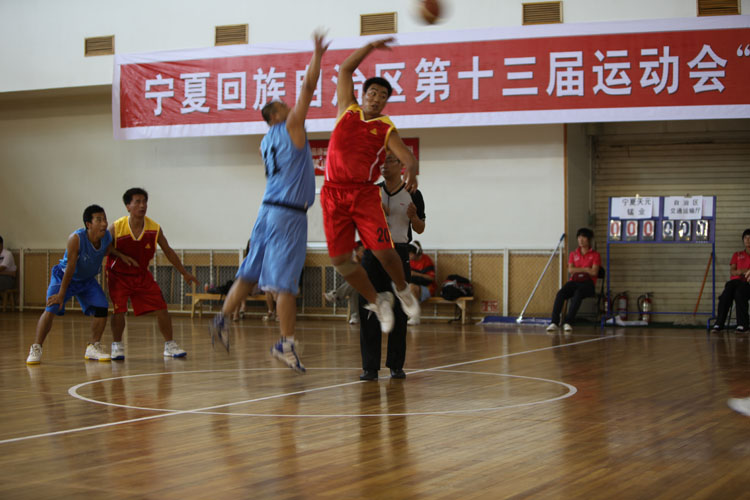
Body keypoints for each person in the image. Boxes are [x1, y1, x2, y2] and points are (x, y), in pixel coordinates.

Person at [209, 31, 329, 373]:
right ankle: (285, 343)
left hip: (266, 211)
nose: (291, 107)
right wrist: (317, 55)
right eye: (284, 106)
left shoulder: (265, 141)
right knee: (286, 284)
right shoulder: (290, 125)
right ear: (276, 115)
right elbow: (308, 88)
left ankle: (221, 319)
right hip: (288, 215)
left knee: (248, 274)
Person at [321, 36, 421, 336]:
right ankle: (378, 301)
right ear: (363, 95)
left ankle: (402, 290)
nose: (376, 98)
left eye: (382, 96)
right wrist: (370, 47)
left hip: (363, 194)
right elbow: (344, 70)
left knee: (384, 253)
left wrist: (412, 168)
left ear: (386, 102)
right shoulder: (347, 109)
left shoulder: (386, 127)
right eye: (373, 93)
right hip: (332, 193)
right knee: (339, 260)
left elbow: (406, 155)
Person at [25, 205, 138, 364]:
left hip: (86, 280)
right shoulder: (76, 239)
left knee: (102, 307)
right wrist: (61, 295)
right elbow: (71, 267)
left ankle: (93, 346)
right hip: (64, 276)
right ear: (88, 224)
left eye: (105, 219)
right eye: (99, 220)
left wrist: (121, 255)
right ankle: (36, 347)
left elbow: (107, 248)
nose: (104, 223)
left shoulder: (106, 236)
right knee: (52, 307)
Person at [106, 187, 199, 359]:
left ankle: (169, 345)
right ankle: (117, 345)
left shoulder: (154, 228)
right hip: (118, 276)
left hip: (141, 275)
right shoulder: (116, 227)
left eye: (144, 202)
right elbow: (105, 248)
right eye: (137, 202)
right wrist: (121, 256)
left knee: (161, 307)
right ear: (128, 206)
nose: (142, 205)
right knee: (119, 310)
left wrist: (184, 272)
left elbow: (168, 251)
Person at [359, 151, 426, 380]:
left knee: (399, 309)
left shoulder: (413, 193)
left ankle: (396, 365)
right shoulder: (372, 191)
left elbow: (420, 228)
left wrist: (414, 217)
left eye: (389, 160)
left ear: (401, 165)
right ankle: (369, 367)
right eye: (382, 161)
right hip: (373, 251)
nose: (384, 165)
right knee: (370, 307)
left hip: (399, 252)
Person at [546, 228, 601, 334]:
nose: (581, 240)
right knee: (561, 293)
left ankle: (568, 322)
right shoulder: (573, 254)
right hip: (574, 281)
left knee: (578, 293)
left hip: (588, 284)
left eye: (583, 237)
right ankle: (554, 322)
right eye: (579, 237)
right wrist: (586, 269)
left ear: (589, 239)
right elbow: (571, 270)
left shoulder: (595, 255)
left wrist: (579, 269)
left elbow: (594, 272)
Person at [712, 228, 750, 333]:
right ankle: (719, 324)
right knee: (725, 295)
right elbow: (733, 271)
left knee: (739, 293)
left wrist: (742, 270)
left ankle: (743, 325)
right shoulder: (737, 254)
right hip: (735, 282)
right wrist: (741, 271)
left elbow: (742, 272)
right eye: (746, 238)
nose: (748, 240)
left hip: (747, 284)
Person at [324, 240, 365, 324]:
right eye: (357, 250)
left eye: (361, 250)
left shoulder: (368, 259)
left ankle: (335, 295)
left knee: (355, 284)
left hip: (370, 284)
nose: (359, 252)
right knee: (354, 287)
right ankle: (355, 317)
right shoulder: (354, 259)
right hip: (358, 284)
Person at [408, 240, 436, 325]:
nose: (408, 255)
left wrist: (416, 274)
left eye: (410, 253)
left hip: (428, 288)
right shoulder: (408, 261)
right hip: (413, 286)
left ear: (416, 252)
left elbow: (431, 278)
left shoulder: (426, 260)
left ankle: (415, 316)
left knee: (412, 287)